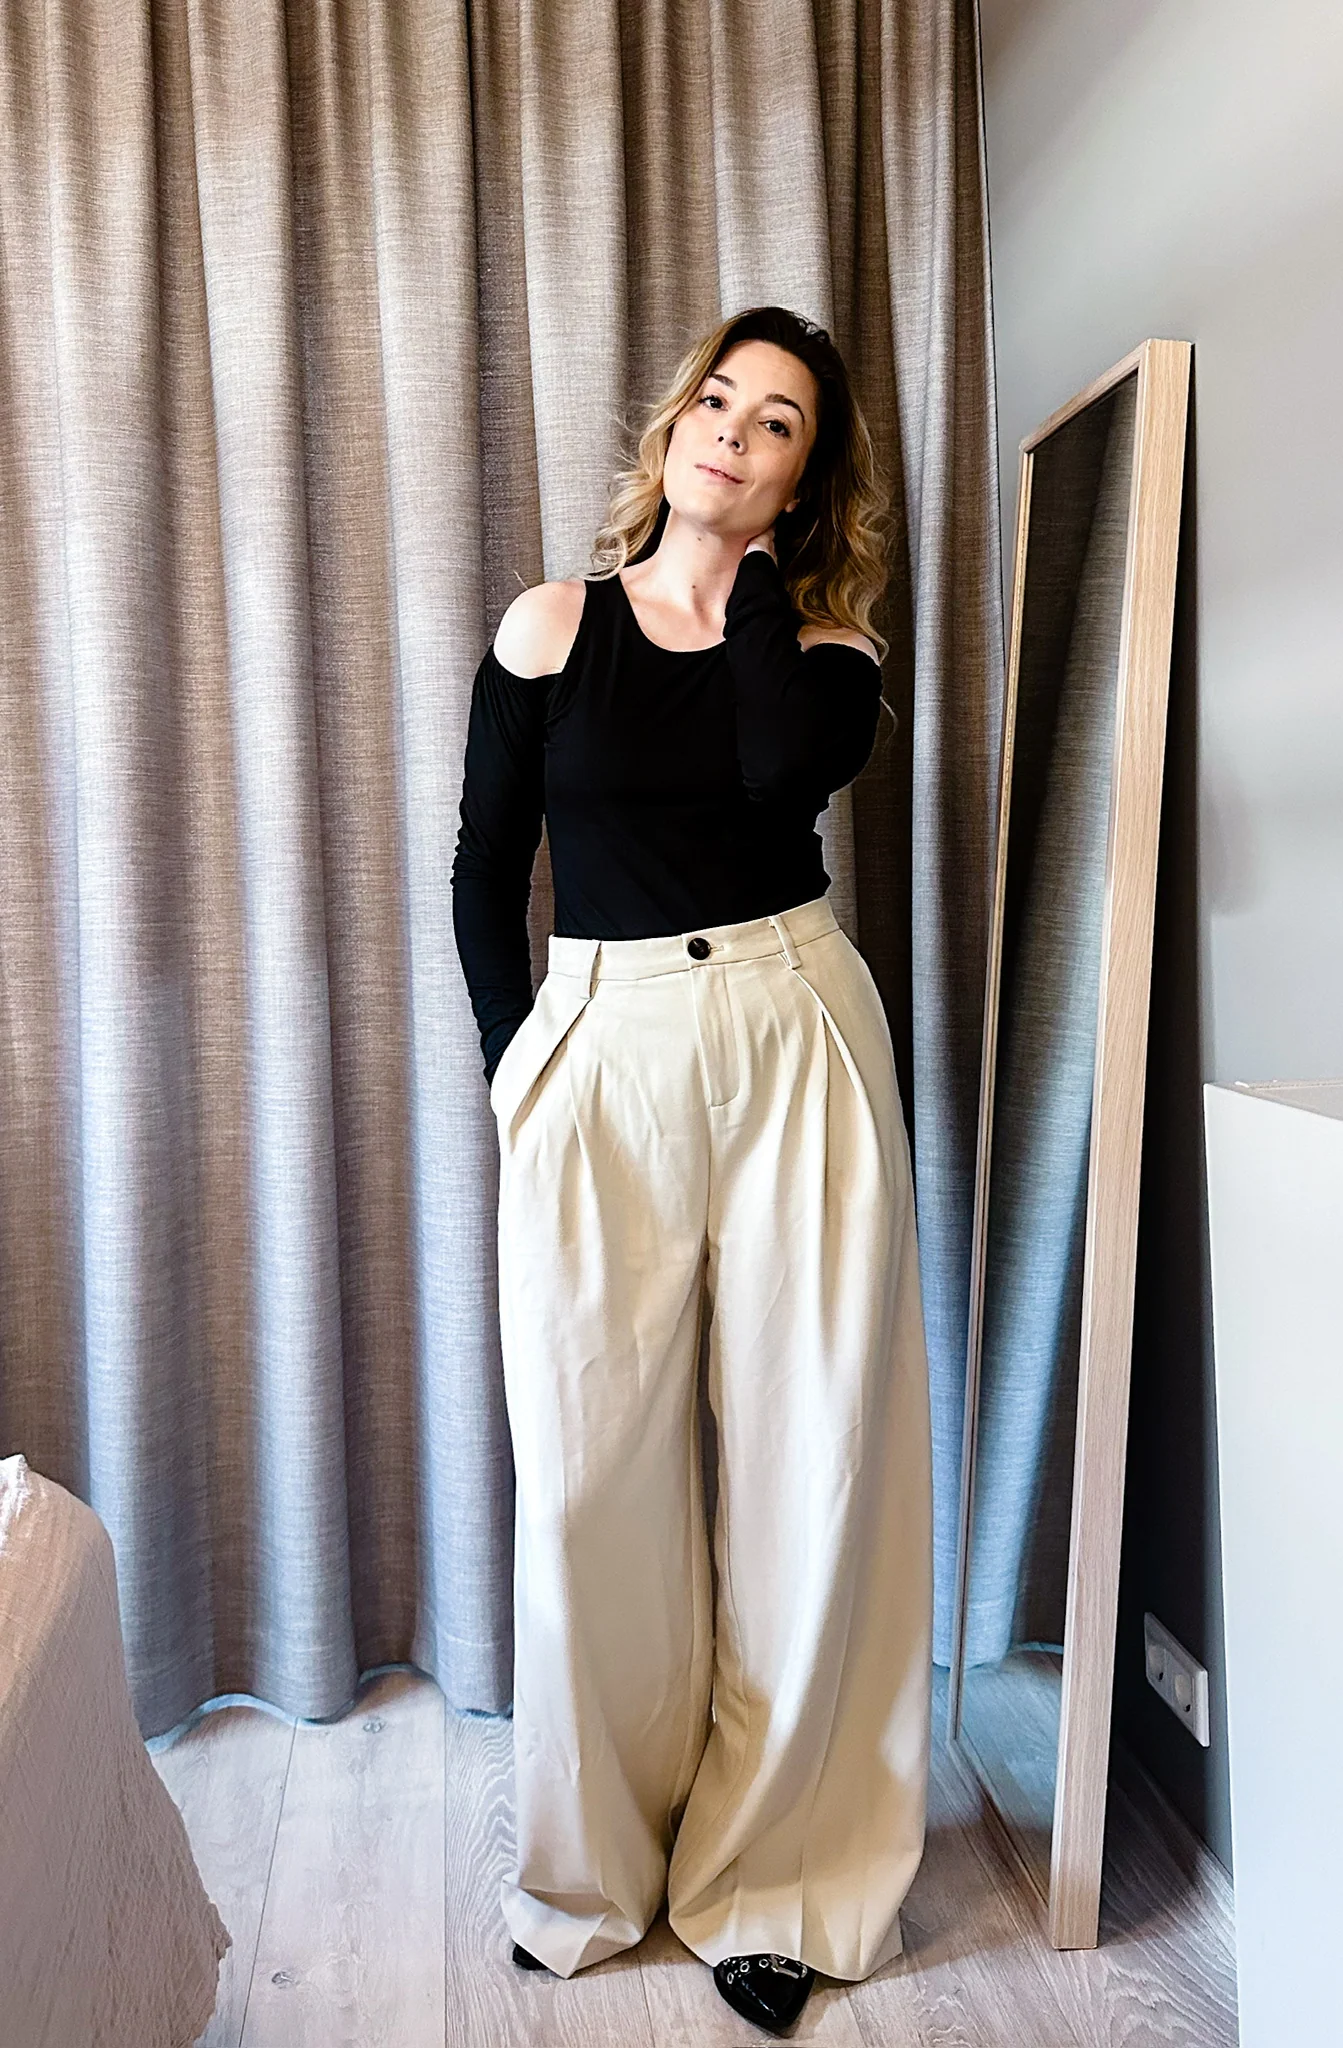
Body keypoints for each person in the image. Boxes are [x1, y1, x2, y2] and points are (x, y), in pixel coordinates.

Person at [451, 305, 933, 2039]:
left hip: (796, 1029)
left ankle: (777, 1878)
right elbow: (485, 861)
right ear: (672, 425)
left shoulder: (828, 649)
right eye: (717, 401)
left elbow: (774, 770)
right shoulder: (548, 624)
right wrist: (517, 1067)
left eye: (776, 423)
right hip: (602, 1041)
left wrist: (744, 584)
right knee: (593, 1472)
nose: (731, 431)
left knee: (813, 1453)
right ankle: (594, 1870)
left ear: (806, 480)